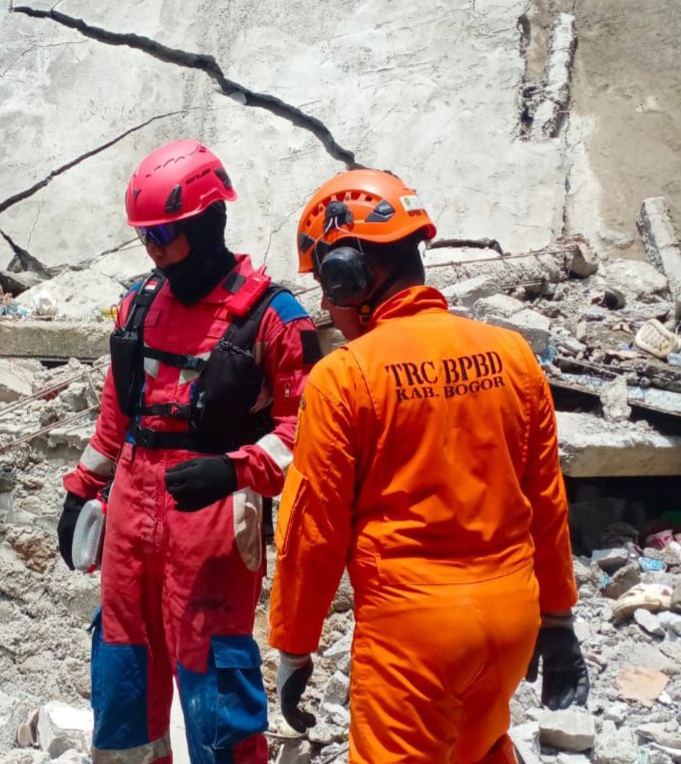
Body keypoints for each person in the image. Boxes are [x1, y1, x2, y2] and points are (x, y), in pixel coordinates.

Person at [267, 169, 590, 764]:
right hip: (511, 621)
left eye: (327, 286)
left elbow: (312, 530)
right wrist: (559, 618)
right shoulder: (513, 356)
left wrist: (294, 645)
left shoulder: (345, 376)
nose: (326, 304)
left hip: (414, 638)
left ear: (350, 275)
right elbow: (546, 500)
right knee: (484, 748)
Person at [59, 139, 322, 764]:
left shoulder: (274, 318)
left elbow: (304, 435)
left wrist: (237, 469)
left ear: (208, 223)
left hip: (215, 514)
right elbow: (115, 420)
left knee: (215, 675)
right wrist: (80, 491)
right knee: (122, 664)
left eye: (166, 236)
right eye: (146, 238)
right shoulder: (138, 304)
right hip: (130, 511)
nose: (154, 251)